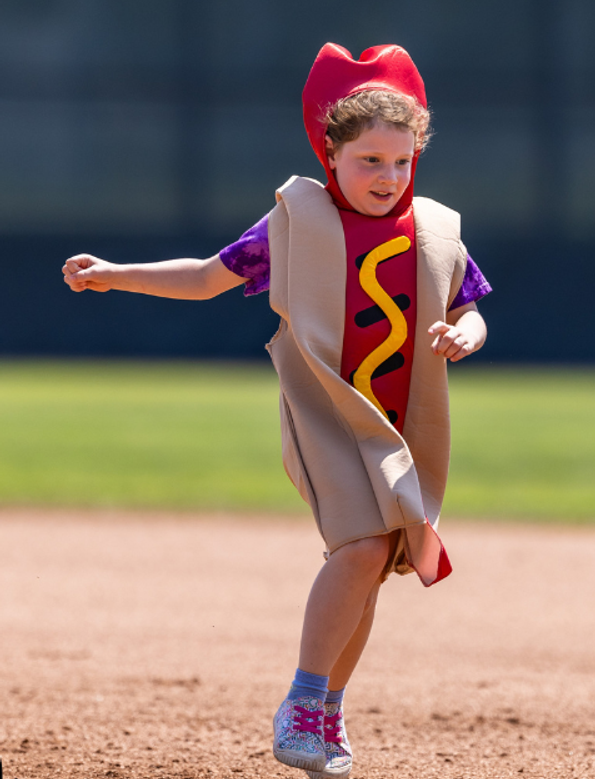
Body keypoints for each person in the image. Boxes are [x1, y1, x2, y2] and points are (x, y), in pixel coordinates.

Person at [63, 44, 491, 779]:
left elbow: (473, 309)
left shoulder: (432, 231)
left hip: (396, 425)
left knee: (374, 562)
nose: (388, 178)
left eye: (400, 161)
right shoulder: (298, 222)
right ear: (331, 156)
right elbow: (206, 277)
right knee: (359, 548)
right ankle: (302, 700)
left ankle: (326, 707)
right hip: (327, 414)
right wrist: (117, 276)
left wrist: (464, 336)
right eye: (369, 162)